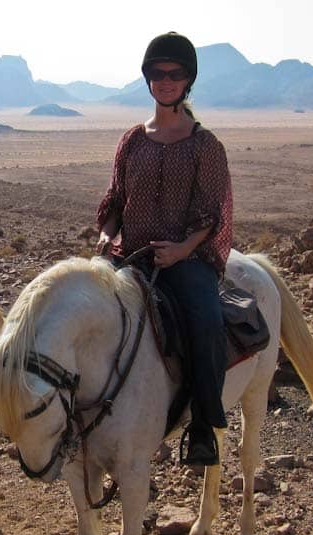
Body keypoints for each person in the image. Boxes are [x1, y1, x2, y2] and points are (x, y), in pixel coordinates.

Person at [95, 32, 233, 466]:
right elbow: (116, 200)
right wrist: (105, 234)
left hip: (186, 259)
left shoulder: (204, 145)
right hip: (131, 255)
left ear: (187, 80)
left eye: (174, 74)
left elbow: (210, 214)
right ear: (148, 79)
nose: (165, 80)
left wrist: (180, 250)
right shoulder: (132, 140)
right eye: (157, 73)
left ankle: (203, 427)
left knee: (207, 321)